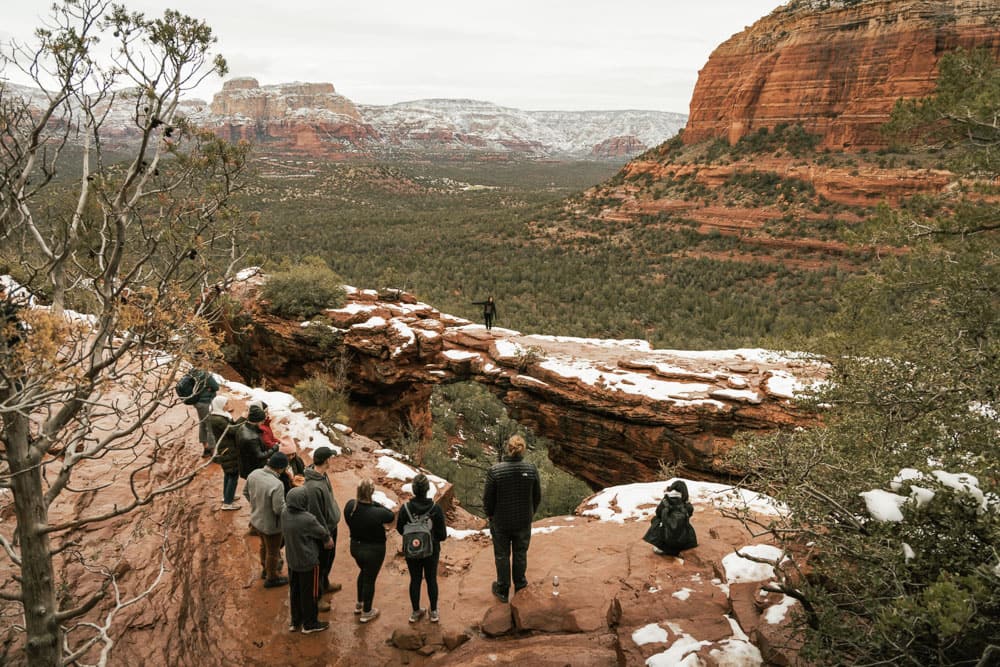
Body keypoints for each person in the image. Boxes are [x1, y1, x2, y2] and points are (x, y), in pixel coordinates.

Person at [483, 434, 541, 603]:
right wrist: (530, 513)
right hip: (523, 521)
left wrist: (491, 515)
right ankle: (520, 586)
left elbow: (488, 499)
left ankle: (502, 589)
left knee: (502, 555)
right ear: (523, 449)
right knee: (520, 554)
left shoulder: (495, 471)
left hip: (501, 521)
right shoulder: (531, 469)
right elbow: (537, 496)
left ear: (508, 448)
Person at [282, 486, 335, 634]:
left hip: (292, 560)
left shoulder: (284, 513)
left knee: (295, 590)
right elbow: (322, 532)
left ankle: (295, 621)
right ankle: (310, 623)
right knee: (310, 593)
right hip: (308, 562)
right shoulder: (307, 519)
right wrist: (327, 540)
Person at [396, 473, 447, 623]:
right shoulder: (435, 509)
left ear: (413, 490)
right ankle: (434, 612)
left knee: (415, 579)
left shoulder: (405, 508)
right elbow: (442, 535)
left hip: (412, 549)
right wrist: (431, 538)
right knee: (431, 579)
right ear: (427, 489)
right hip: (431, 550)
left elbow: (400, 529)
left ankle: (415, 612)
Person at [343, 478, 395, 623]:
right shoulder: (376, 513)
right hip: (374, 550)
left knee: (364, 572)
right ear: (371, 493)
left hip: (356, 547)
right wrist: (375, 503)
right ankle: (367, 612)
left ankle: (359, 603)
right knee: (369, 580)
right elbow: (390, 515)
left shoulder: (350, 506)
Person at [303, 446, 343, 608]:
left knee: (328, 559)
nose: (332, 460)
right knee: (319, 564)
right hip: (323, 530)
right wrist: (325, 536)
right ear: (326, 460)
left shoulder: (323, 476)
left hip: (331, 525)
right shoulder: (313, 487)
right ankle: (317, 598)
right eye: (331, 458)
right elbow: (316, 515)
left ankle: (325, 585)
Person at [245, 452, 289, 588]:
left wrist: (257, 505)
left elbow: (246, 492)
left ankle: (265, 569)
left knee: (264, 546)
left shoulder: (254, 474)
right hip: (271, 525)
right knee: (273, 551)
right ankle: (272, 577)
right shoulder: (277, 484)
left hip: (256, 520)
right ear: (280, 468)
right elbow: (278, 509)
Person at [642, 480, 697, 556]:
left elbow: (658, 512)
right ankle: (680, 548)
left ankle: (661, 547)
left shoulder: (666, 499)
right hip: (681, 539)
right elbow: (690, 513)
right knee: (685, 524)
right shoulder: (685, 503)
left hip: (665, 536)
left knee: (656, 519)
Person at [208, 394, 242, 510]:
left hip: (227, 447)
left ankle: (227, 496)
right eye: (226, 403)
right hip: (228, 449)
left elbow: (232, 427)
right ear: (221, 405)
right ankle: (228, 503)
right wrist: (243, 418)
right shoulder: (218, 419)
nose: (228, 405)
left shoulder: (221, 416)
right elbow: (232, 430)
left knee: (229, 474)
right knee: (233, 474)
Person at [179, 366, 219, 457]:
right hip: (205, 402)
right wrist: (210, 388)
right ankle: (212, 451)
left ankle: (205, 447)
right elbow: (216, 387)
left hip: (197, 402)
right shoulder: (204, 374)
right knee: (209, 426)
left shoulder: (192, 372)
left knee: (202, 424)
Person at [237, 404, 278, 480]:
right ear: (256, 421)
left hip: (245, 465)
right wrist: (275, 448)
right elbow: (260, 456)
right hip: (252, 469)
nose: (263, 422)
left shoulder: (243, 427)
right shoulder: (252, 437)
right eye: (262, 420)